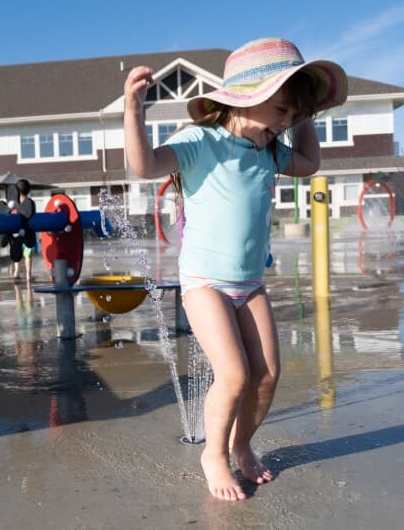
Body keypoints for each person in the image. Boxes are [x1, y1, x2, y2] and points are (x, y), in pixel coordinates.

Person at [123, 38, 347, 501]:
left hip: (250, 284)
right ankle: (214, 455)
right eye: (282, 111)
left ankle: (242, 444)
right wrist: (132, 109)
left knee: (267, 376)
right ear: (247, 99)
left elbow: (309, 163)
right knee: (235, 376)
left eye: (292, 116)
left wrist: (304, 118)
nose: (284, 124)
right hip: (205, 283)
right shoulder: (201, 142)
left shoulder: (269, 152)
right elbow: (144, 166)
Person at [11, 179, 36, 281]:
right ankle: (28, 275)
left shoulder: (14, 204)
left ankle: (16, 272)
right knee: (28, 254)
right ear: (28, 190)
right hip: (28, 231)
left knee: (17, 251)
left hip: (16, 232)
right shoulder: (30, 203)